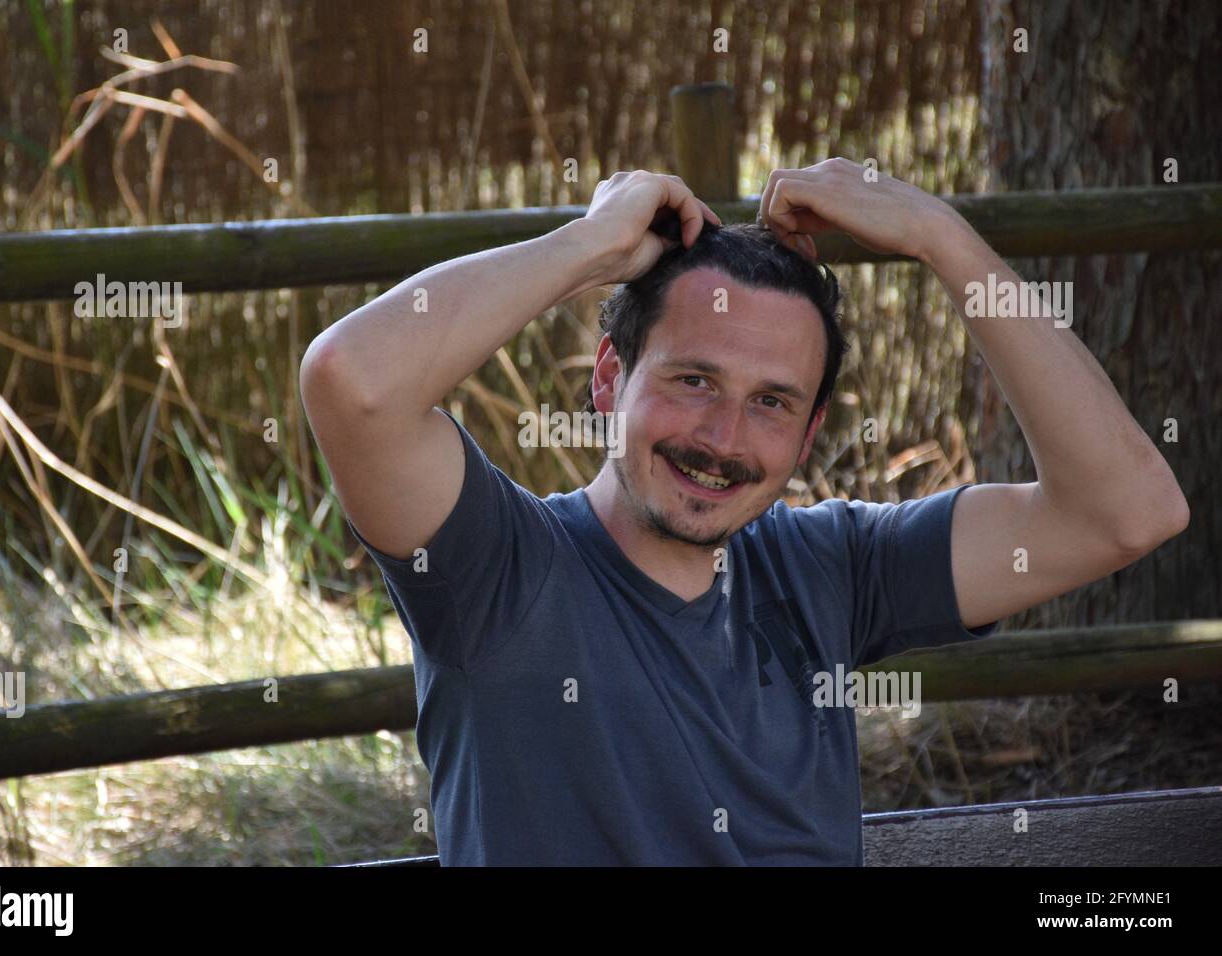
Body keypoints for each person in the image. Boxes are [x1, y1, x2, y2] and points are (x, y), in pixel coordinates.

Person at [299, 160, 1189, 865]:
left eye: (772, 402)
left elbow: (1126, 511)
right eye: (694, 381)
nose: (723, 438)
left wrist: (942, 239)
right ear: (608, 378)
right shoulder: (498, 572)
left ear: (808, 435)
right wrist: (591, 244)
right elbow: (353, 382)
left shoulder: (833, 566)